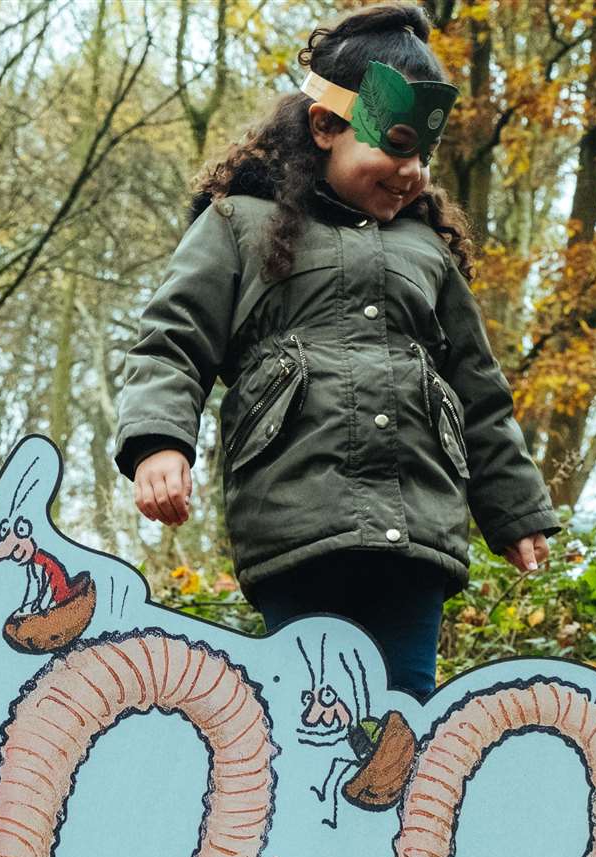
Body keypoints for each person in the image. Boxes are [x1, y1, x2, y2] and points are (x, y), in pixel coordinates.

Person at [116, 4, 558, 701]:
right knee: (308, 710)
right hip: (297, 527)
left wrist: (515, 509)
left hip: (414, 534)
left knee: (402, 715)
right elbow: (173, 342)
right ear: (326, 126)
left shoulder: (427, 252)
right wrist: (157, 444)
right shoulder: (241, 224)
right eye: (396, 145)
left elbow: (477, 386)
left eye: (423, 155)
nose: (412, 171)